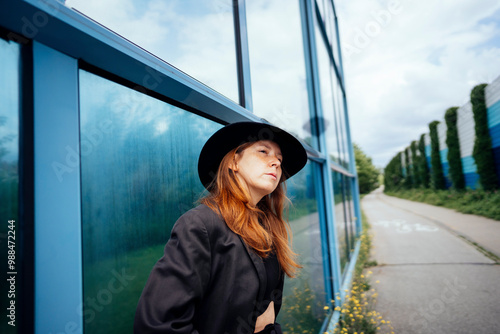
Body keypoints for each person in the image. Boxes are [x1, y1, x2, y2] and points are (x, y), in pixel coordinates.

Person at [134, 122, 307, 334]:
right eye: (264, 152)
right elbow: (158, 326)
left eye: (279, 159)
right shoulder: (200, 225)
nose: (276, 163)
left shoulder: (269, 230)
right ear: (234, 161)